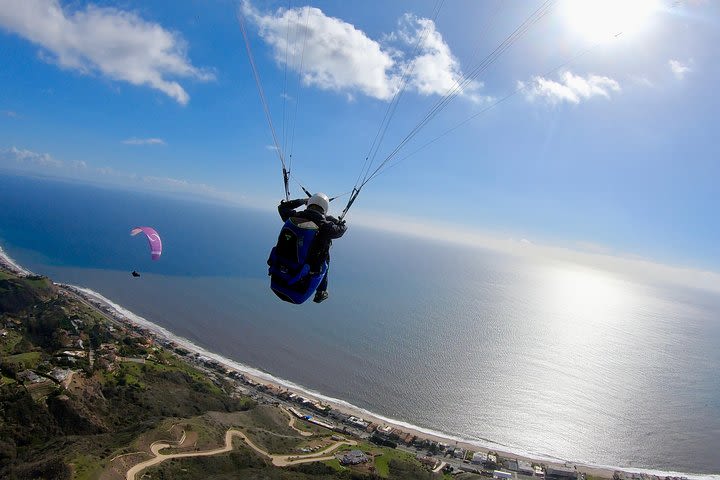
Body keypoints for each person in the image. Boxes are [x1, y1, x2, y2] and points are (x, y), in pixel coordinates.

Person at [277, 192, 347, 303]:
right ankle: (321, 291)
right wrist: (332, 219)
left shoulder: (293, 217)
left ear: (308, 204)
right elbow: (342, 228)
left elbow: (282, 207)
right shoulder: (325, 227)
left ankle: (321, 290)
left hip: (279, 276)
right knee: (325, 258)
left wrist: (302, 201)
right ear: (325, 209)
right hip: (301, 284)